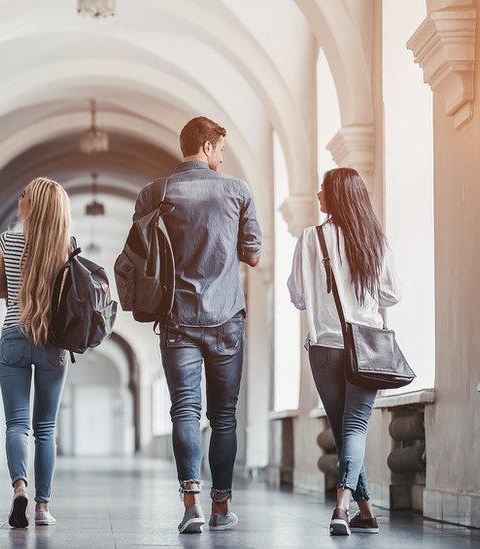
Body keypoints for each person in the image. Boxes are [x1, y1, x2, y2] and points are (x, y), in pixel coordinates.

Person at [132, 117, 263, 534]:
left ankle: (192, 505)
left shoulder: (155, 193)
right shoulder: (237, 190)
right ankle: (222, 508)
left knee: (184, 411)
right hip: (226, 319)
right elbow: (254, 254)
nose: (222, 157)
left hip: (177, 319)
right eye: (221, 149)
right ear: (206, 147)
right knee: (223, 417)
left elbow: (140, 253)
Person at [287, 167, 400, 536]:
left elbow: (298, 297)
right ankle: (354, 508)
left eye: (323, 188)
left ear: (336, 196)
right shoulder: (375, 240)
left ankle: (349, 508)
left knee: (343, 430)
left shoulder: (309, 238)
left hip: (324, 349)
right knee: (352, 429)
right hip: (366, 347)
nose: (318, 194)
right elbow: (391, 295)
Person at [0, 177, 73, 529]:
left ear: (34, 205)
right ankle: (42, 508)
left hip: (13, 335)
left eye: (24, 194)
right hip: (52, 342)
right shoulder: (66, 247)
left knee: (16, 424)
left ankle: (19, 487)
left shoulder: (7, 240)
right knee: (45, 428)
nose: (19, 196)